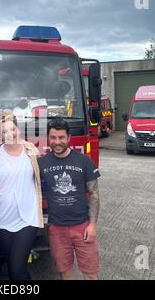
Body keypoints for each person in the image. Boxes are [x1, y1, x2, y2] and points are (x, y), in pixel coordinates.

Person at [38, 117, 101, 280]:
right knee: (64, 270)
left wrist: (92, 225)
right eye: (53, 138)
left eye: (61, 137)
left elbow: (94, 193)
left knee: (91, 272)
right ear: (48, 139)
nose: (57, 142)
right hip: (56, 229)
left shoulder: (84, 161)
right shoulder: (42, 163)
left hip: (82, 226)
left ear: (69, 138)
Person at [0, 114, 44, 280]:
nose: (10, 134)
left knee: (16, 267)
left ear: (18, 130)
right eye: (4, 131)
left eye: (12, 129)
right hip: (3, 218)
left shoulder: (32, 151)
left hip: (28, 217)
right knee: (12, 264)